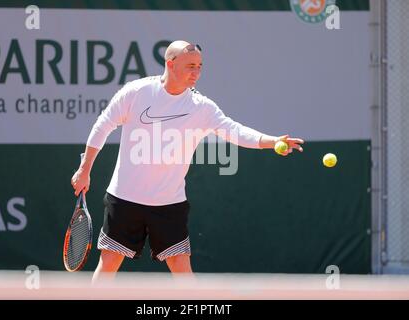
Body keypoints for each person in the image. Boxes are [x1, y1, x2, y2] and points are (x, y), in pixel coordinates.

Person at [71, 40, 304, 282]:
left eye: (200, 66)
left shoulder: (201, 107)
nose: (197, 72)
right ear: (170, 65)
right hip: (125, 198)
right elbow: (103, 125)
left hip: (169, 203)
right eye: (190, 66)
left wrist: (271, 141)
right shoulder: (136, 92)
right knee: (108, 264)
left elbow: (233, 130)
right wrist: (85, 169)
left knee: (181, 268)